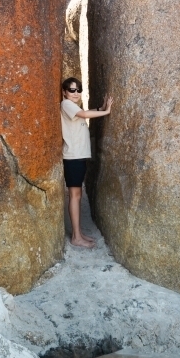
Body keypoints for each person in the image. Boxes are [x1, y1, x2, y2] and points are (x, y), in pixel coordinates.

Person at [60, 77, 112, 248]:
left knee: (77, 195)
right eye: (72, 90)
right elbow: (83, 114)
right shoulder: (66, 104)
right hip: (72, 157)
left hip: (77, 156)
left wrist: (100, 108)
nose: (76, 93)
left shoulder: (72, 106)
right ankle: (76, 237)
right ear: (65, 92)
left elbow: (84, 112)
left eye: (78, 90)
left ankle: (79, 233)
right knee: (75, 196)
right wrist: (105, 112)